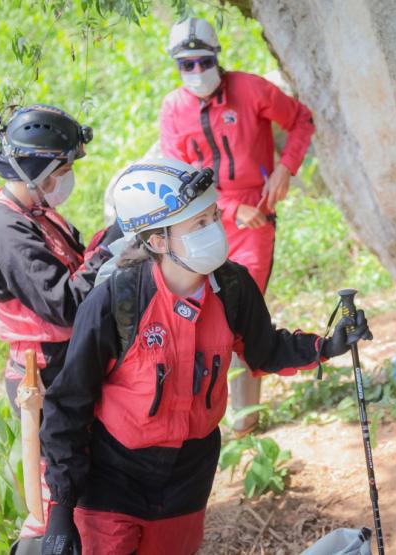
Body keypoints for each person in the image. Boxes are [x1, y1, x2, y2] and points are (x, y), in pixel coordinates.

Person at [39, 159, 370, 555]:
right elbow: (68, 403)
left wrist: (327, 346)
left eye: (213, 216)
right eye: (197, 224)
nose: (214, 229)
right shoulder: (117, 302)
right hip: (112, 479)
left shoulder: (233, 288)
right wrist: (62, 507)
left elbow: (265, 350)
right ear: (157, 240)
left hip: (187, 480)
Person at [0, 104, 119, 541]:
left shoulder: (33, 212)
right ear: (37, 168)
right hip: (44, 376)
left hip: (67, 362)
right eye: (63, 168)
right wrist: (111, 246)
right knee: (57, 493)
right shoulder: (5, 232)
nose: (66, 178)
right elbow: (67, 304)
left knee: (87, 481)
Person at [159, 17, 316, 433]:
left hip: (256, 219)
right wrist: (228, 207)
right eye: (185, 65)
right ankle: (199, 420)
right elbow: (178, 174)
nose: (195, 72)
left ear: (217, 58)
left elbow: (301, 120)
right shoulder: (174, 110)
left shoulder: (250, 89)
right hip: (201, 221)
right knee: (197, 316)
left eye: (202, 61)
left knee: (243, 317)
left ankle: (245, 426)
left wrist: (286, 168)